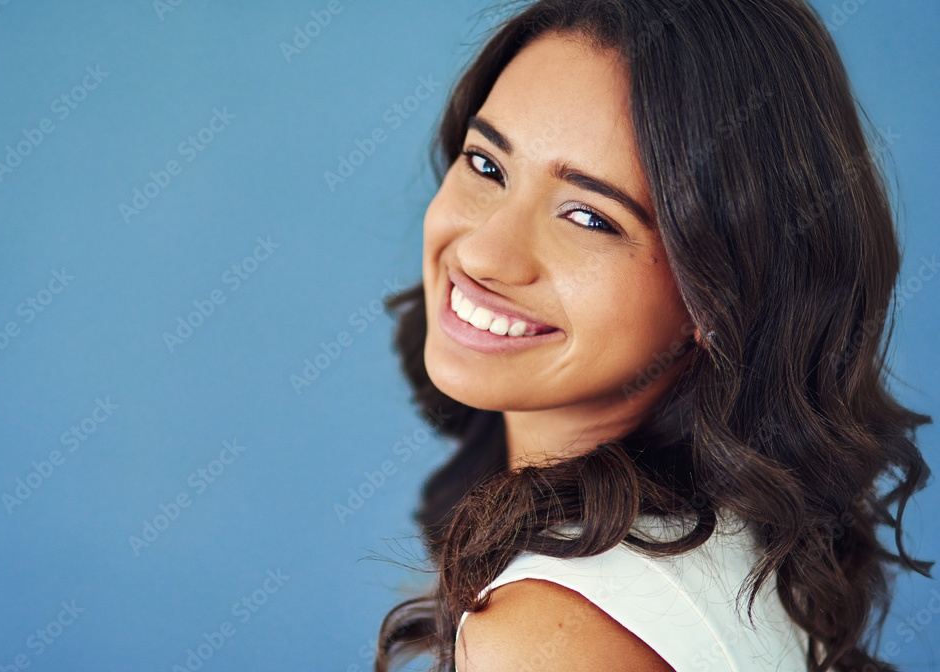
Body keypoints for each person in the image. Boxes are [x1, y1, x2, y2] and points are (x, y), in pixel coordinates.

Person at [375, 1, 933, 670]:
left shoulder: (544, 637)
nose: (484, 255)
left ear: (717, 291)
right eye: (487, 165)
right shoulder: (737, 542)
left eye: (588, 216)